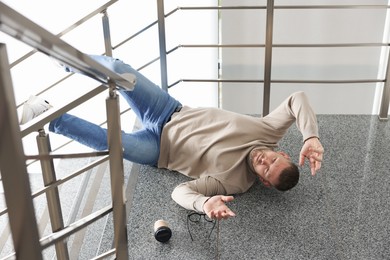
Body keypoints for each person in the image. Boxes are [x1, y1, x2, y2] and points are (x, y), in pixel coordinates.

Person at [21, 55, 324, 221]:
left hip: (158, 151)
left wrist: (204, 204)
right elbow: (297, 98)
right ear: (282, 152)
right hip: (167, 110)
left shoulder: (235, 183)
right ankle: (63, 57)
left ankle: (46, 114)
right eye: (272, 159)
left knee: (108, 142)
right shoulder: (269, 132)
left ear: (264, 181)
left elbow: (180, 191)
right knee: (119, 70)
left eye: (265, 169)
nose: (263, 160)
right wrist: (310, 136)